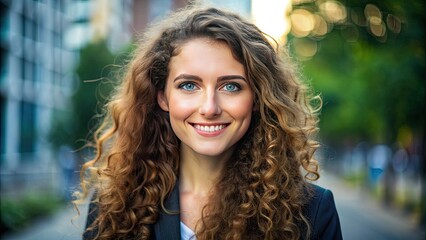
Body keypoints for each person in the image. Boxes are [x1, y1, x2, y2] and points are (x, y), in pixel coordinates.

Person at [76, 5, 342, 240]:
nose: (209, 108)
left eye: (231, 87)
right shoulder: (113, 207)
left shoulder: (312, 212)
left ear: (258, 98)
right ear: (163, 97)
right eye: (189, 85)